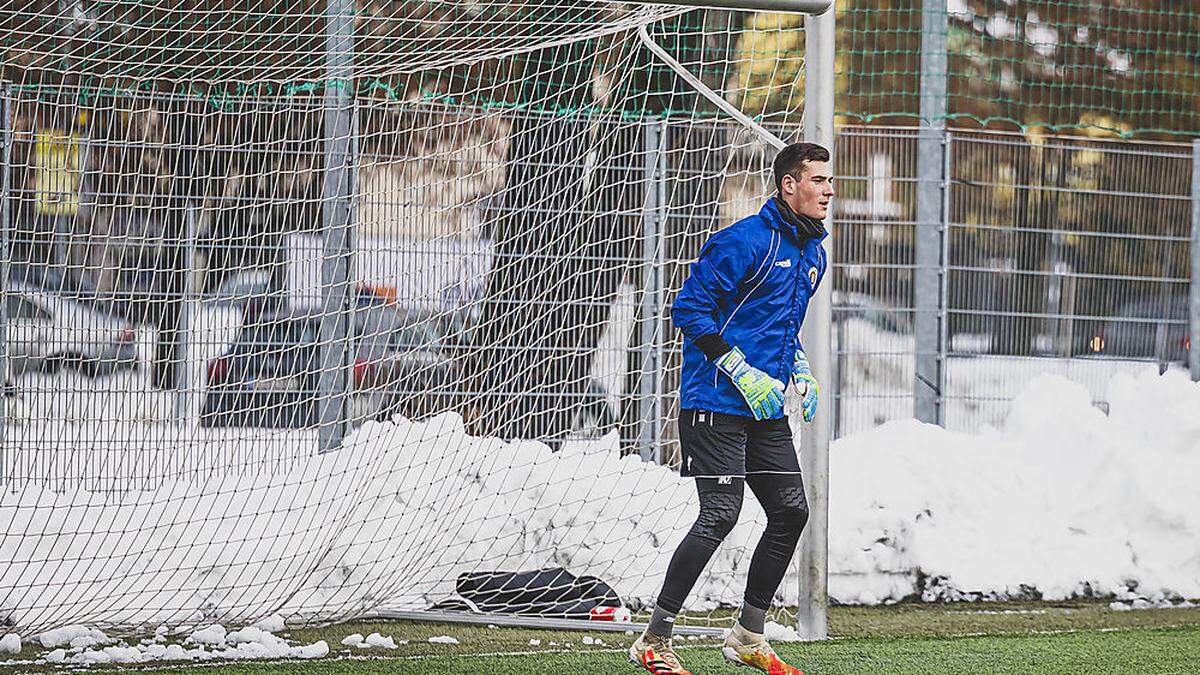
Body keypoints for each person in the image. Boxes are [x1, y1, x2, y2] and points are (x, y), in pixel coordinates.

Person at [628, 142, 834, 675]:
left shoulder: (815, 253)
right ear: (789, 184)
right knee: (720, 514)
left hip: (764, 408)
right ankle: (654, 639)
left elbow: (779, 329)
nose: (829, 189)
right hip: (716, 402)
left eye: (829, 180)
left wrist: (800, 369)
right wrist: (740, 370)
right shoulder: (743, 241)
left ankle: (747, 635)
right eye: (817, 180)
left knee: (792, 511)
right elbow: (688, 310)